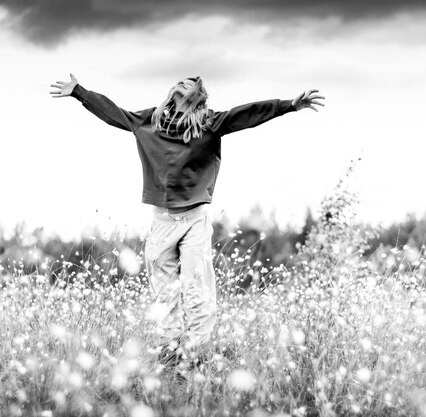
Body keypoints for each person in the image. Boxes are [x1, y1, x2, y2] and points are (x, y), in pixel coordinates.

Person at [50, 74, 324, 373]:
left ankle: (194, 357)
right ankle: (170, 357)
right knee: (164, 294)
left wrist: (288, 106)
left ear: (199, 94)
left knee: (197, 290)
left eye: (192, 83)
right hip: (161, 221)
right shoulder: (149, 120)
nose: (186, 81)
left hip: (194, 219)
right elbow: (114, 113)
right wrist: (79, 92)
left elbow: (246, 115)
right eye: (182, 80)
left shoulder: (209, 123)